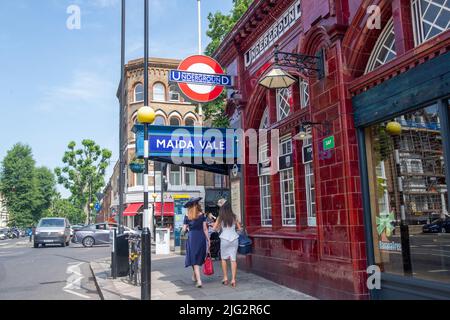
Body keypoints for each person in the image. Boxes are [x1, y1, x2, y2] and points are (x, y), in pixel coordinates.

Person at [182, 197, 210, 288]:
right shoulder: (202, 215)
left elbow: (183, 229)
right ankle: (195, 275)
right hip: (201, 237)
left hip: (192, 237)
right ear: (197, 205)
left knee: (194, 258)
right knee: (198, 257)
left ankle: (199, 281)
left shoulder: (187, 215)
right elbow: (205, 229)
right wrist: (208, 240)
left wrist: (185, 230)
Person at [213, 200, 241, 288]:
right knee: (233, 259)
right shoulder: (234, 216)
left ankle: (225, 278)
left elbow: (214, 228)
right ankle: (233, 279)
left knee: (224, 259)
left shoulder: (220, 217)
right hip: (234, 239)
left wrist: (218, 228)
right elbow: (239, 228)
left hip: (224, 239)